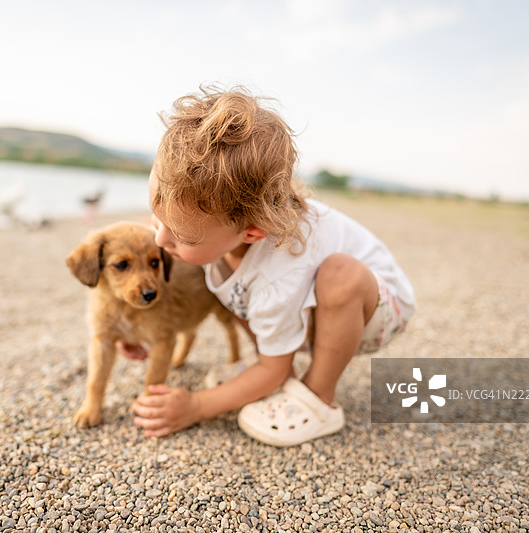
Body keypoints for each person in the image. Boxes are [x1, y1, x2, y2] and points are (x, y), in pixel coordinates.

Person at [129, 86, 416, 446]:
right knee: (222, 276)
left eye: (183, 236)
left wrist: (197, 406)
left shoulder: (277, 274)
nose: (160, 239)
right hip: (304, 301)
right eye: (159, 219)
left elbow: (273, 342)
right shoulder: (213, 231)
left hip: (375, 310)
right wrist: (135, 325)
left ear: (251, 232)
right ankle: (266, 356)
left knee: (340, 275)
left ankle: (318, 397)